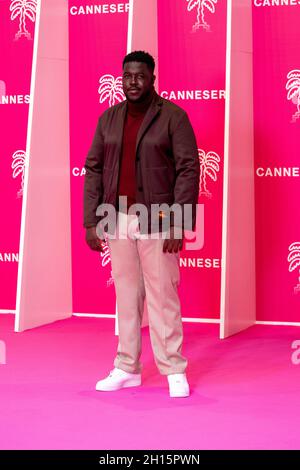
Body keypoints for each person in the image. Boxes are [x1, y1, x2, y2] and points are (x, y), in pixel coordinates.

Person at [83, 50, 200, 397]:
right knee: (126, 296)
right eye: (127, 76)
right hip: (116, 217)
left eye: (140, 76)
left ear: (152, 79)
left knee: (163, 296)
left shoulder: (173, 117)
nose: (132, 82)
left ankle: (174, 369)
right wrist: (92, 220)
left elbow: (188, 169)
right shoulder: (108, 119)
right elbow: (93, 168)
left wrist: (180, 222)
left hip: (160, 218)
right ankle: (126, 367)